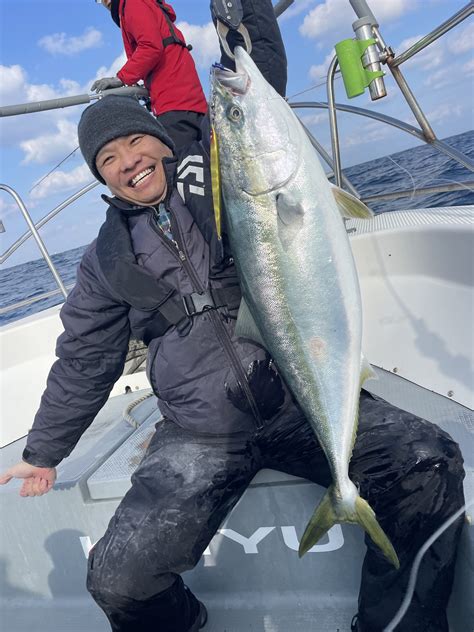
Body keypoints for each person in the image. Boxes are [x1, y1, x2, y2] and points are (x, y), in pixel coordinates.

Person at [0, 2, 465, 631]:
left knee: (428, 459)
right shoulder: (104, 261)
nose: (128, 160)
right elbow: (85, 357)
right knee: (117, 579)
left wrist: (246, 19)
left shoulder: (218, 179)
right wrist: (46, 449)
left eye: (136, 140)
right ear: (100, 179)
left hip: (291, 398)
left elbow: (257, 86)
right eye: (108, 159)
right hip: (200, 433)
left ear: (162, 141)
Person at [92, 0, 208, 149]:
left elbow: (151, 47)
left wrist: (121, 78)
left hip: (173, 104)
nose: (104, 0)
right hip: (192, 103)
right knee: (203, 165)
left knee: (180, 166)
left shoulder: (133, 4)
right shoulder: (144, 4)